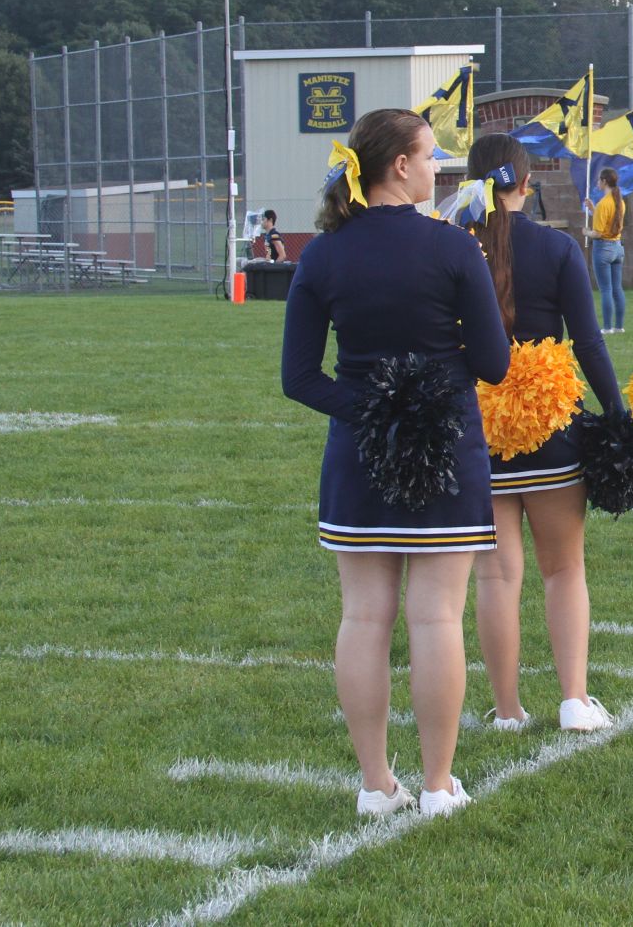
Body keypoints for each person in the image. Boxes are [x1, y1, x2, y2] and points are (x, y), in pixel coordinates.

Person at [280, 108, 509, 819]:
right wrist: (431, 393)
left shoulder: (322, 253)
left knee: (365, 616)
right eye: (431, 153)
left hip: (359, 455)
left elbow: (299, 376)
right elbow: (496, 362)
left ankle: (376, 783)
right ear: (400, 166)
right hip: (447, 450)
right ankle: (438, 783)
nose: (440, 165)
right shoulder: (453, 248)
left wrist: (371, 410)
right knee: (436, 618)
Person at [463, 133, 620, 735]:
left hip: (478, 427)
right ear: (525, 185)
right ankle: (574, 700)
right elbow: (588, 342)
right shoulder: (555, 248)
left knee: (497, 575)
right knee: (563, 569)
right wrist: (616, 413)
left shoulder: (456, 247)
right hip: (551, 425)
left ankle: (506, 710)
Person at [590, 167, 628, 333]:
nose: (598, 182)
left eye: (599, 180)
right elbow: (609, 221)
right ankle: (619, 326)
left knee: (606, 289)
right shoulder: (619, 202)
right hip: (617, 248)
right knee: (617, 288)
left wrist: (586, 232)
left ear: (604, 181)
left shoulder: (603, 204)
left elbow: (597, 233)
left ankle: (607, 327)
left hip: (603, 248)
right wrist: (592, 209)